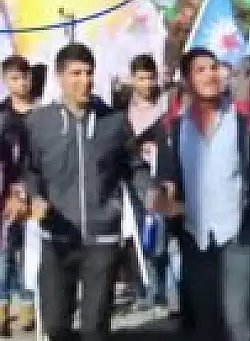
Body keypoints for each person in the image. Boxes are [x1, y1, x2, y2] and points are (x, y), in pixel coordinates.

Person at [22, 43, 152, 341]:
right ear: (60, 77)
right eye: (76, 73)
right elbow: (31, 171)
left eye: (89, 72)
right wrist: (34, 197)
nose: (85, 80)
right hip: (57, 237)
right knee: (56, 327)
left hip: (102, 238)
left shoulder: (114, 122)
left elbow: (134, 167)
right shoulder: (40, 122)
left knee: (94, 329)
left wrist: (150, 193)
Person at [155, 48, 250, 341]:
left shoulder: (244, 120)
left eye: (214, 68)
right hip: (195, 234)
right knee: (206, 320)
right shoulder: (173, 126)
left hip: (237, 230)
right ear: (187, 80)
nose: (211, 75)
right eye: (201, 70)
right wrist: (164, 197)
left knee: (238, 318)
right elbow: (167, 175)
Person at [125, 54, 169, 314]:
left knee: (160, 231)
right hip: (136, 177)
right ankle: (146, 287)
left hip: (161, 176)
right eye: (140, 78)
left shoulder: (166, 105)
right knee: (142, 233)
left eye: (150, 78)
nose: (146, 84)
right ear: (132, 79)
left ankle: (162, 288)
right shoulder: (123, 108)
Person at [0, 55, 36, 336]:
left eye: (24, 77)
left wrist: (27, 188)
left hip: (33, 191)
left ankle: (27, 305)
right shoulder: (2, 116)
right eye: (14, 78)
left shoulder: (42, 114)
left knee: (28, 252)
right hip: (4, 192)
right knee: (4, 253)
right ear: (5, 80)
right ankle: (2, 307)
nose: (21, 83)